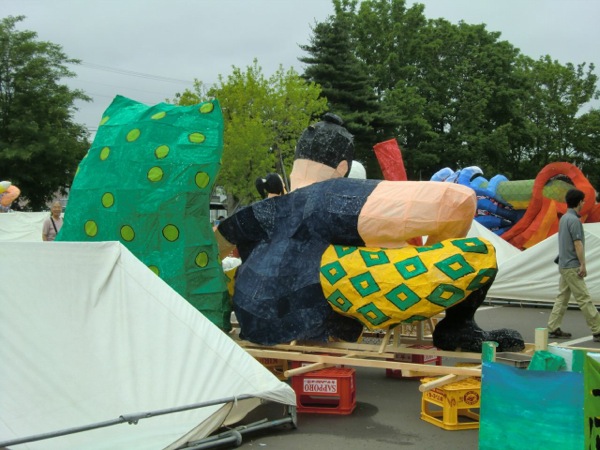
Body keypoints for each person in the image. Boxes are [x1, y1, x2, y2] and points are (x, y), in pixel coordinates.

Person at [216, 113, 524, 351]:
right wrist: (433, 249)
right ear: (342, 167)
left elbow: (217, 240)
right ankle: (457, 326)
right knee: (480, 253)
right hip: (308, 306)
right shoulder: (331, 195)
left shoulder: (265, 208)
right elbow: (458, 201)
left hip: (254, 316)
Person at [547, 188, 600, 341]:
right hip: (572, 265)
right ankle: (597, 329)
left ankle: (553, 327)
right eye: (583, 201)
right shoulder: (574, 221)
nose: (584, 203)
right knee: (584, 297)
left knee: (562, 297)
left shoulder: (564, 218)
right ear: (579, 202)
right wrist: (583, 264)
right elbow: (578, 244)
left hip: (564, 264)